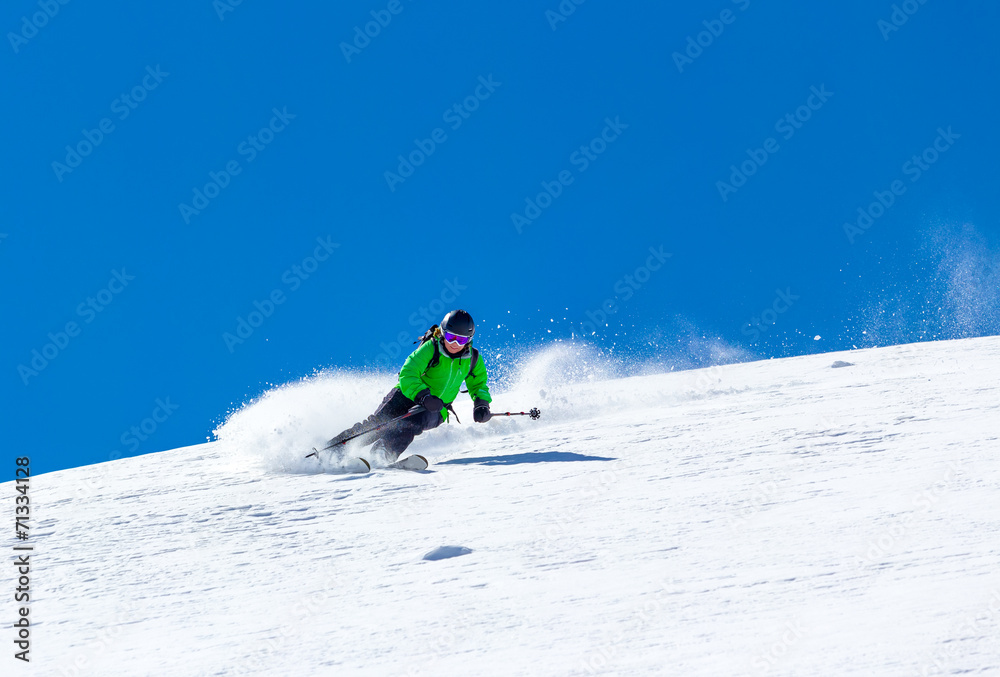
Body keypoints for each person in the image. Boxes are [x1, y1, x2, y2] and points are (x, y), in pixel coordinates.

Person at [327, 309, 493, 460]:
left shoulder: (473, 358)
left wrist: (481, 405)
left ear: (469, 340)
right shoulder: (431, 348)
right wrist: (423, 396)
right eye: (451, 337)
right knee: (378, 424)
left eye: (461, 339)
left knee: (411, 424)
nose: (455, 344)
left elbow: (478, 384)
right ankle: (331, 450)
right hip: (407, 394)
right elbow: (408, 373)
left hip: (437, 408)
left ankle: (383, 453)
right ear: (442, 333)